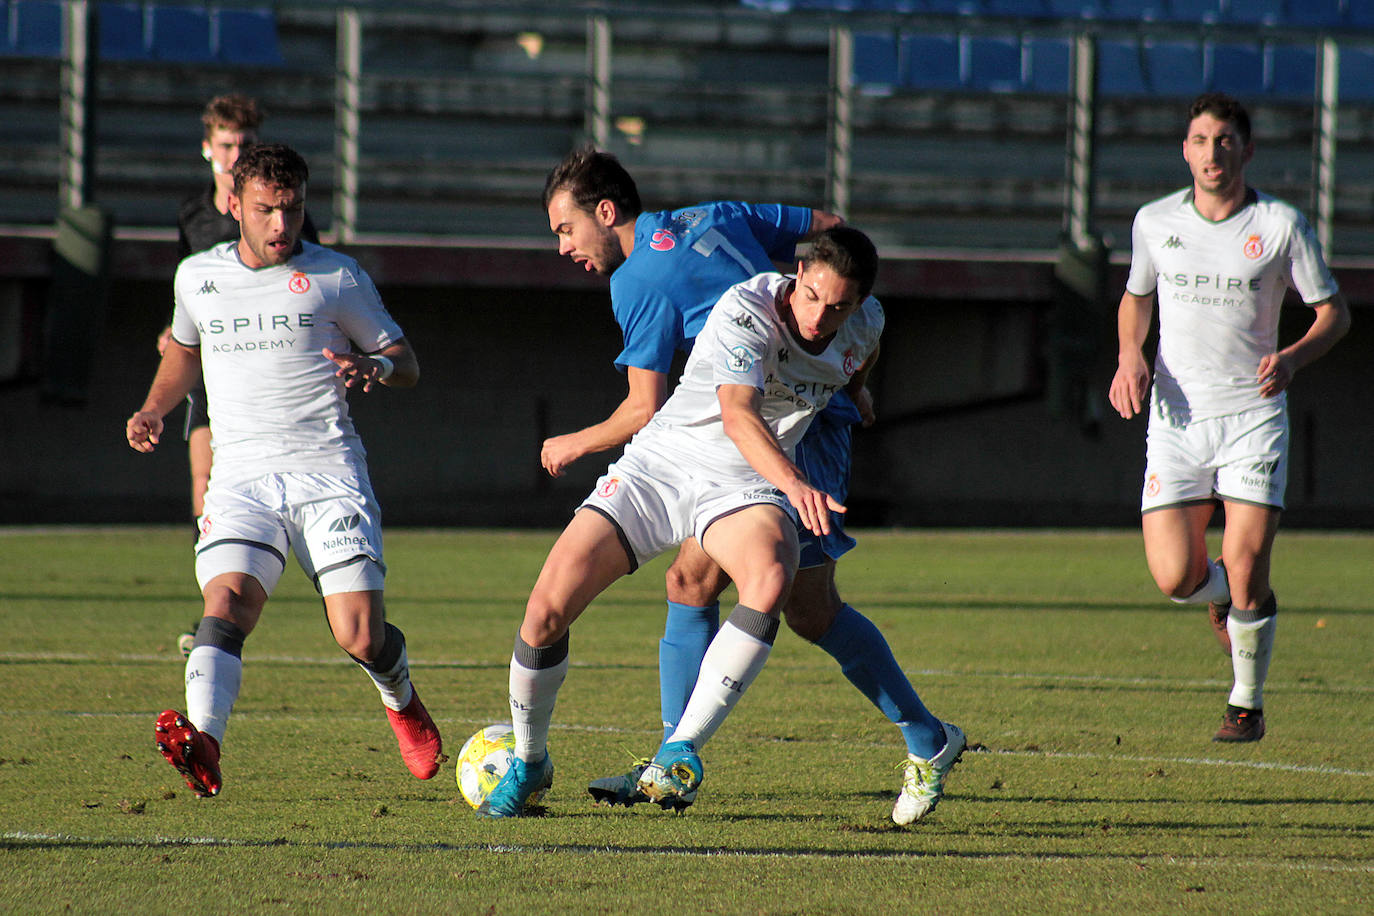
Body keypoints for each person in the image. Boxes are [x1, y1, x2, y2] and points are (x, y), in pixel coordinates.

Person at [542, 147, 962, 825]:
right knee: (691, 581)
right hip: (746, 430)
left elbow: (644, 409)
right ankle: (670, 763)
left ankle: (927, 737)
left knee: (811, 610)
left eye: (565, 229)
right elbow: (828, 223)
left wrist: (572, 443)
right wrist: (855, 381)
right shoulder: (714, 215)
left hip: (786, 434)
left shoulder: (636, 282)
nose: (564, 246)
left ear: (607, 212)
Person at [126, 143, 442, 797]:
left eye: (292, 210)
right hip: (240, 474)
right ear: (235, 205)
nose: (281, 226)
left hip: (327, 471)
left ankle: (401, 696)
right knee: (227, 600)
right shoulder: (197, 277)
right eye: (266, 210)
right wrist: (156, 407)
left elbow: (406, 362)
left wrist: (375, 367)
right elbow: (186, 352)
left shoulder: (338, 278)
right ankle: (205, 741)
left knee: (359, 636)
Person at [1109, 93, 1350, 743]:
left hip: (1253, 415)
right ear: (1183, 149)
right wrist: (1131, 355)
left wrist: (1295, 358)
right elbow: (1136, 300)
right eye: (1199, 139)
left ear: (1246, 149)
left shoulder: (1280, 225)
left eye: (1224, 140)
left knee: (1247, 563)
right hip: (1177, 418)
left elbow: (1335, 314)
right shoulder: (1155, 222)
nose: (1211, 152)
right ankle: (1227, 598)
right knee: (1175, 578)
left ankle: (1246, 703)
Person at [163, 93, 320, 527]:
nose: (236, 154)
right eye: (227, 144)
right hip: (213, 361)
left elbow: (314, 283)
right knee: (204, 479)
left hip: (268, 360)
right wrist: (172, 331)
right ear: (207, 147)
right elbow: (188, 289)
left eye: (245, 144)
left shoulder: (288, 218)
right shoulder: (192, 215)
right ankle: (214, 571)